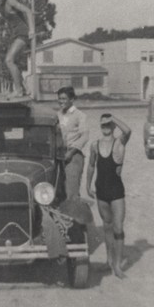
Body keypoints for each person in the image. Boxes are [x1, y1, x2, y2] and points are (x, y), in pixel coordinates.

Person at [86, 113, 131, 279]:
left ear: (112, 126)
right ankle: (108, 261)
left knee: (118, 228)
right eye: (102, 125)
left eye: (108, 125)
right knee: (107, 226)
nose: (105, 127)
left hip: (116, 191)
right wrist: (87, 185)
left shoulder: (119, 143)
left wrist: (113, 118)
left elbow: (128, 130)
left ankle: (118, 266)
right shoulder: (94, 145)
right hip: (101, 191)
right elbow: (91, 166)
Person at [0, 0, 35, 98]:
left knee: (9, 60)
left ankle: (18, 91)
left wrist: (32, 30)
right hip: (16, 35)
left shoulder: (10, 1)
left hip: (23, 33)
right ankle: (25, 89)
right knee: (12, 62)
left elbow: (28, 11)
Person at [57, 86, 89, 199]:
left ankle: (73, 212)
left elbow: (84, 136)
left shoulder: (80, 115)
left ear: (72, 99)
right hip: (58, 154)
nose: (61, 101)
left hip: (73, 155)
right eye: (59, 98)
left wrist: (71, 152)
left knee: (71, 190)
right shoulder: (58, 115)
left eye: (64, 98)